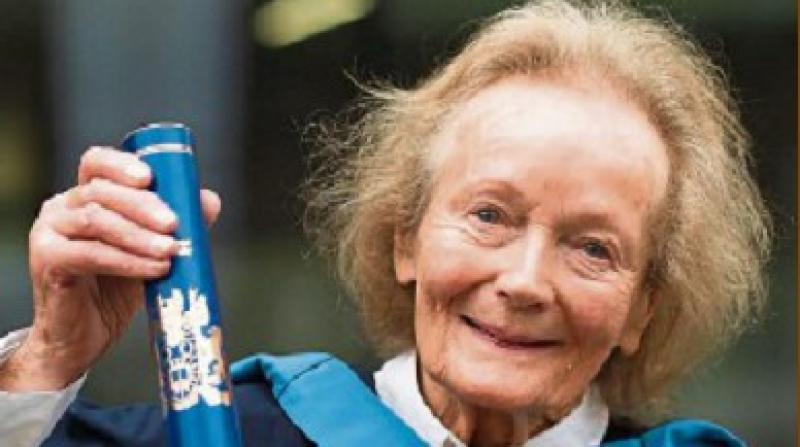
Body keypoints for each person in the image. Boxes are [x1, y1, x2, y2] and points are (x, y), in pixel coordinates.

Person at [0, 0, 771, 445]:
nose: (526, 280)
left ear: (643, 308)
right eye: (490, 215)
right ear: (405, 236)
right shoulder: (231, 434)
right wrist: (46, 360)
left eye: (594, 247)